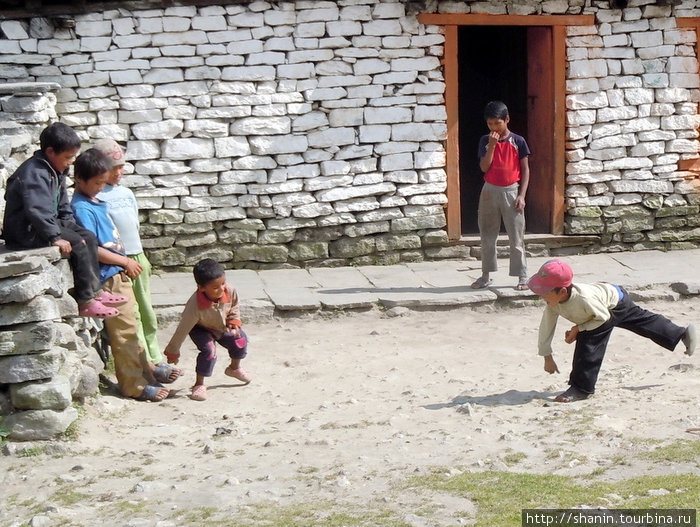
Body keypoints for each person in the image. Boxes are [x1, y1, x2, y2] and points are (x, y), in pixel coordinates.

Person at [71, 148, 178, 402]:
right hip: (108, 275)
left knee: (133, 326)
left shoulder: (95, 202)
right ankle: (134, 385)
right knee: (124, 334)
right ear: (79, 180)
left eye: (102, 182)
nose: (100, 187)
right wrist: (123, 261)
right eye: (97, 183)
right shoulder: (82, 209)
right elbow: (92, 247)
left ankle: (147, 372)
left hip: (118, 272)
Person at [527, 259, 697, 403]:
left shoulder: (583, 300)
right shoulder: (553, 303)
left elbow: (603, 318)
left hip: (613, 305)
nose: (541, 295)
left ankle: (580, 389)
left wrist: (578, 329)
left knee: (589, 341)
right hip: (606, 297)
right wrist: (547, 357)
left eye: (544, 291)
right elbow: (546, 328)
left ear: (562, 291)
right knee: (642, 321)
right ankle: (680, 333)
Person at [1, 122, 123, 318]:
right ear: (50, 151)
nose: (71, 161)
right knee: (78, 243)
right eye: (68, 157)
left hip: (45, 223)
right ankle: (85, 301)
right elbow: (37, 209)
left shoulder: (55, 170)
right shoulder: (34, 173)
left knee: (89, 237)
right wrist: (55, 236)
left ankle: (96, 290)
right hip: (26, 230)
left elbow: (62, 204)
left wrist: (70, 225)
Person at [93, 138, 172, 377]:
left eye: (121, 167)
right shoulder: (97, 197)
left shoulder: (126, 193)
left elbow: (133, 225)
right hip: (121, 261)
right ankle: (144, 361)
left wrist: (141, 259)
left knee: (147, 310)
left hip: (139, 257)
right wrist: (123, 261)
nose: (119, 172)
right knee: (132, 313)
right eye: (113, 168)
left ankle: (155, 356)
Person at [164, 258, 251, 402]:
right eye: (216, 287)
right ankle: (199, 384)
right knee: (209, 351)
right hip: (200, 329)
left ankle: (234, 368)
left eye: (223, 283)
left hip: (221, 326)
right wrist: (173, 351)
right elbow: (183, 329)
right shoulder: (194, 306)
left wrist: (233, 320)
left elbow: (235, 305)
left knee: (240, 338)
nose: (222, 288)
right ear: (201, 288)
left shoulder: (229, 290)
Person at [472, 100, 530, 291]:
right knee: (487, 235)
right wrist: (492, 146)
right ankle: (485, 275)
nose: (494, 127)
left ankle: (522, 276)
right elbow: (484, 167)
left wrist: (521, 195)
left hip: (511, 191)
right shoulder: (485, 141)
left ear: (507, 120)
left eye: (498, 123)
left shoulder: (518, 141)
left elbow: (525, 169)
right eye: (490, 124)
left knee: (516, 236)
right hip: (489, 191)